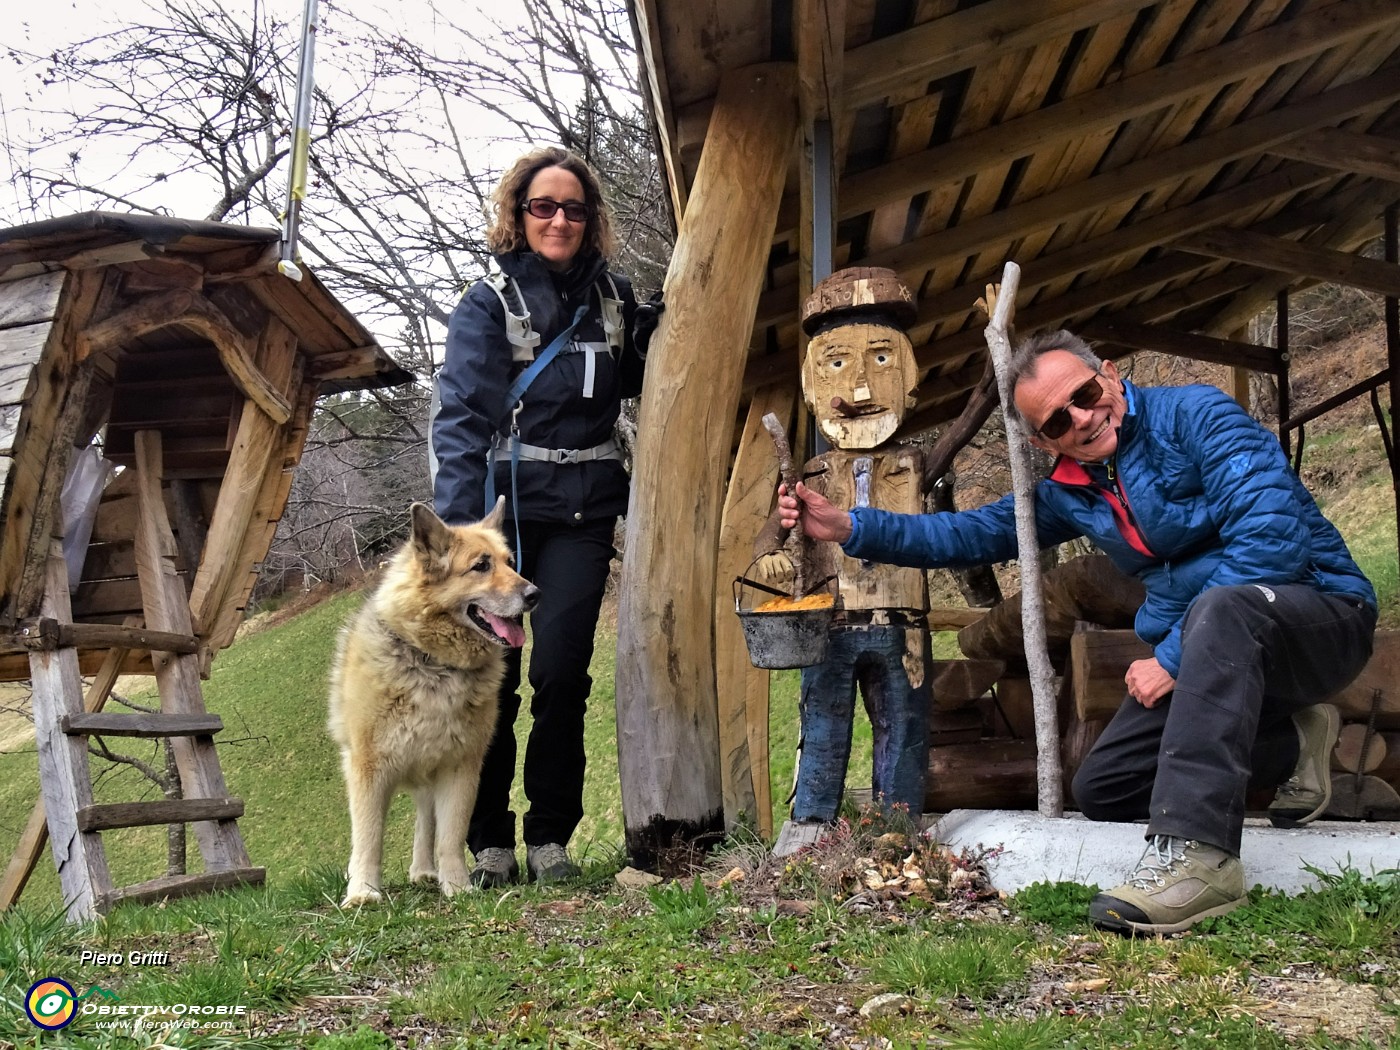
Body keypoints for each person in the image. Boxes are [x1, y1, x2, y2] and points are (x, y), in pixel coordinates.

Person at [777, 328, 1377, 935]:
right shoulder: (1072, 490)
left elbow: (1271, 540)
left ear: (1110, 375)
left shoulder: (1198, 415)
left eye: (1086, 394)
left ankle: (1199, 860)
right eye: (1059, 422)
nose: (1083, 419)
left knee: (1223, 607)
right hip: (1216, 651)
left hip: (1318, 614)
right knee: (1105, 785)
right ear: (1042, 440)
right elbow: (969, 534)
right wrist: (852, 526)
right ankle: (1292, 740)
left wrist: (1170, 658)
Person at [431, 146, 661, 887]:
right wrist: (462, 539)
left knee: (562, 675)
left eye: (573, 208)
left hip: (585, 512)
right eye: (543, 207)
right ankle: (489, 840)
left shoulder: (616, 300)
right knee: (494, 674)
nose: (559, 220)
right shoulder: (488, 302)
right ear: (519, 214)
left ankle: (550, 837)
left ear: (591, 219)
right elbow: (461, 418)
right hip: (503, 526)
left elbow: (643, 374)